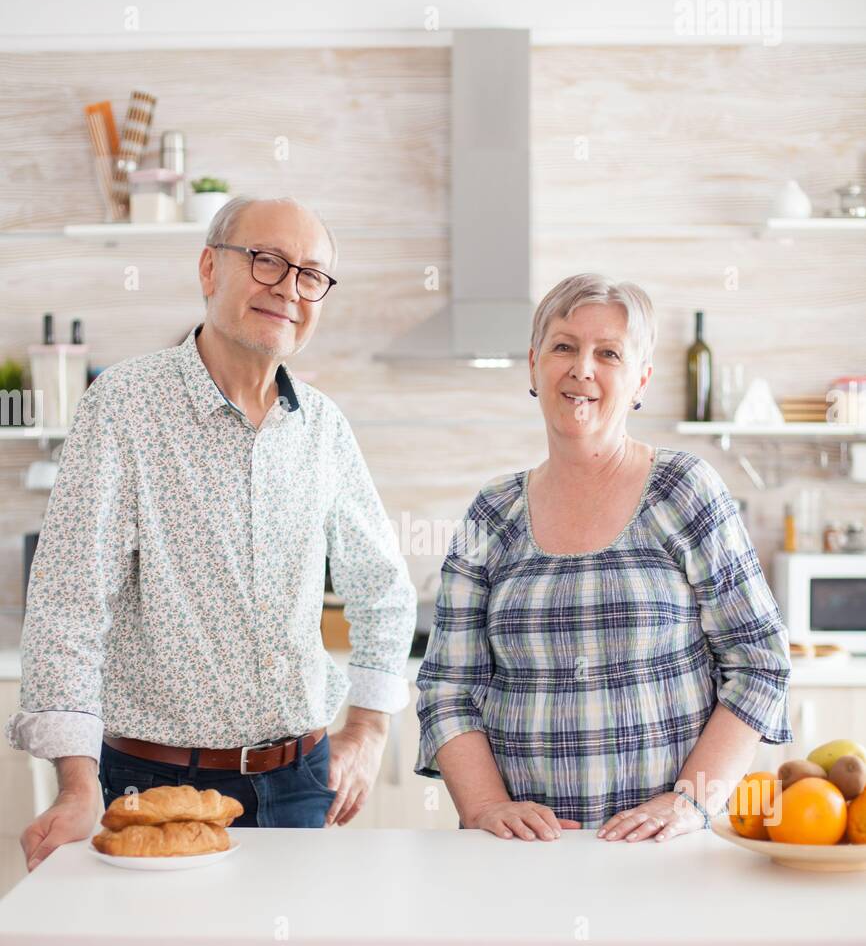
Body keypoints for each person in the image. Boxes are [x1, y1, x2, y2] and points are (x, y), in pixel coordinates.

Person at [10, 196, 416, 869]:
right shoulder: (124, 404)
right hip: (155, 789)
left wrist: (368, 731)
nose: (287, 288)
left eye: (309, 274)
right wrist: (78, 786)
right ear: (208, 268)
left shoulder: (323, 427)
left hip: (300, 784)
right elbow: (67, 609)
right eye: (266, 261)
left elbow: (385, 591)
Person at [414, 273, 792, 842]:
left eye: (608, 353)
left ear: (639, 379)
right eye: (564, 346)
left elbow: (759, 662)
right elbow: (448, 687)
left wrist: (690, 802)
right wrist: (486, 806)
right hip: (519, 854)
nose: (582, 369)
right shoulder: (492, 513)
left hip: (663, 854)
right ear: (534, 365)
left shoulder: (684, 491)